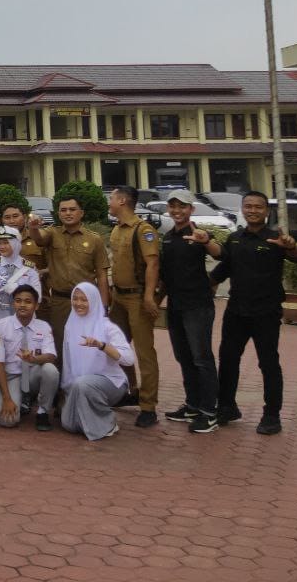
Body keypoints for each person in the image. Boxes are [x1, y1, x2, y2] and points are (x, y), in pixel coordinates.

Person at [211, 190, 297, 436]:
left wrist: (291, 247)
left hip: (266, 312)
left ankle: (272, 415)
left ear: (266, 211)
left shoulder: (276, 239)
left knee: (269, 363)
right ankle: (227, 407)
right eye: (248, 206)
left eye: (258, 207)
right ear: (242, 209)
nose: (252, 210)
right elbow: (223, 268)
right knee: (228, 360)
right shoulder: (235, 238)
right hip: (236, 311)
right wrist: (203, 285)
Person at [157, 190, 222, 433]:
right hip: (176, 305)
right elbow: (166, 276)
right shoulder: (168, 237)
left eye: (182, 206)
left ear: (191, 209)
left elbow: (219, 253)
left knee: (202, 358)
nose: (177, 211)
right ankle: (193, 404)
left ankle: (209, 411)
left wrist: (205, 241)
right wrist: (156, 301)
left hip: (198, 306)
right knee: (183, 357)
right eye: (173, 206)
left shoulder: (198, 233)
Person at [28, 196, 110, 360]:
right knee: (59, 343)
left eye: (72, 210)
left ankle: (82, 382)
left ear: (81, 213)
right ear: (58, 214)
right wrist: (33, 228)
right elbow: (39, 239)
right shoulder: (52, 233)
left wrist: (103, 306)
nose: (68, 213)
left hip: (86, 302)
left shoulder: (94, 239)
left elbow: (102, 275)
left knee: (85, 344)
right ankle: (61, 384)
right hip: (60, 301)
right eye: (63, 210)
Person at [107, 185, 162, 428]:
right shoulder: (117, 230)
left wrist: (149, 296)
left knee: (144, 352)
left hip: (137, 297)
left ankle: (148, 405)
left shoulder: (143, 229)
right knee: (118, 347)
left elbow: (153, 264)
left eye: (111, 198)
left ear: (122, 201)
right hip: (118, 297)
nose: (109, 202)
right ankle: (133, 390)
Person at [60, 282, 135, 440]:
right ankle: (91, 418)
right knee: (68, 424)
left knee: (83, 384)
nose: (78, 303)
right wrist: (68, 390)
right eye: (75, 298)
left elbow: (129, 359)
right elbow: (67, 362)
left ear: (94, 301)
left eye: (84, 300)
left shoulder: (106, 327)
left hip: (112, 383)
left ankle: (107, 423)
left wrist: (101, 345)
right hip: (80, 385)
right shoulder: (70, 326)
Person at [0, 284, 59, 431]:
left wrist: (32, 360)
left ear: (36, 306)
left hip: (32, 375)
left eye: (28, 301)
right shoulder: (0, 326)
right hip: (10, 377)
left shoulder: (44, 326)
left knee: (50, 370)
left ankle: (42, 411)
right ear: (13, 303)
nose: (22, 305)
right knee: (8, 421)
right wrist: (7, 399)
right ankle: (12, 398)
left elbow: (51, 356)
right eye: (18, 300)